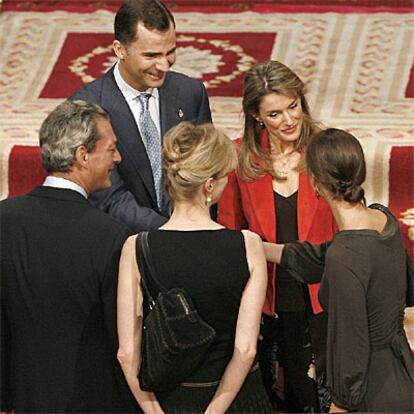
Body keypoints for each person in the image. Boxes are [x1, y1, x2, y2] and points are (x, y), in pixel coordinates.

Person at [116, 122, 273, 413]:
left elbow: (127, 354)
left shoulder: (135, 247)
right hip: (237, 400)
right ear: (209, 186)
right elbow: (246, 349)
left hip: (171, 399)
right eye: (226, 177)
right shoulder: (248, 245)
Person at [0, 100, 140, 412]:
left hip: (26, 399)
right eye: (111, 149)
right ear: (82, 155)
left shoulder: (3, 220)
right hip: (96, 401)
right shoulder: (112, 236)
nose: (117, 158)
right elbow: (121, 338)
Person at [264, 128, 414, 412]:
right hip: (402, 373)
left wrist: (339, 405)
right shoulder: (383, 218)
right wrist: (262, 248)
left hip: (372, 393)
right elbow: (323, 257)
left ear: (317, 183)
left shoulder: (344, 257)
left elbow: (350, 343)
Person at [217, 60, 337, 412]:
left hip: (320, 296)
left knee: (313, 392)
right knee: (269, 395)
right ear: (256, 115)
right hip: (266, 296)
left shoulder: (326, 149)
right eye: (274, 114)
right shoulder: (239, 157)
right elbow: (230, 235)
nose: (288, 120)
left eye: (293, 107)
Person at [70, 0, 212, 232]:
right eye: (151, 55)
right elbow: (109, 198)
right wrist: (171, 232)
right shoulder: (86, 108)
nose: (164, 65)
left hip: (191, 238)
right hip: (122, 243)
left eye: (171, 52)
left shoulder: (191, 94)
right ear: (120, 50)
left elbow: (206, 172)